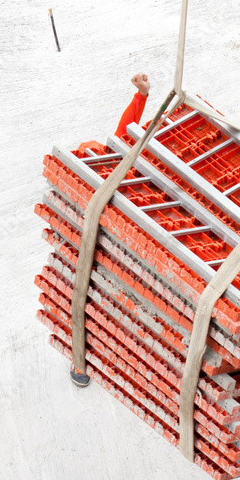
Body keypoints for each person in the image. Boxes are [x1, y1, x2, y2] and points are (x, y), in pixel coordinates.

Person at [69, 73, 151, 389]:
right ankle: (82, 361)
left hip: (118, 250)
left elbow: (126, 127)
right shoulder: (84, 194)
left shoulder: (114, 163)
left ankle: (89, 360)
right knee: (87, 301)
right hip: (98, 254)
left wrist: (142, 95)